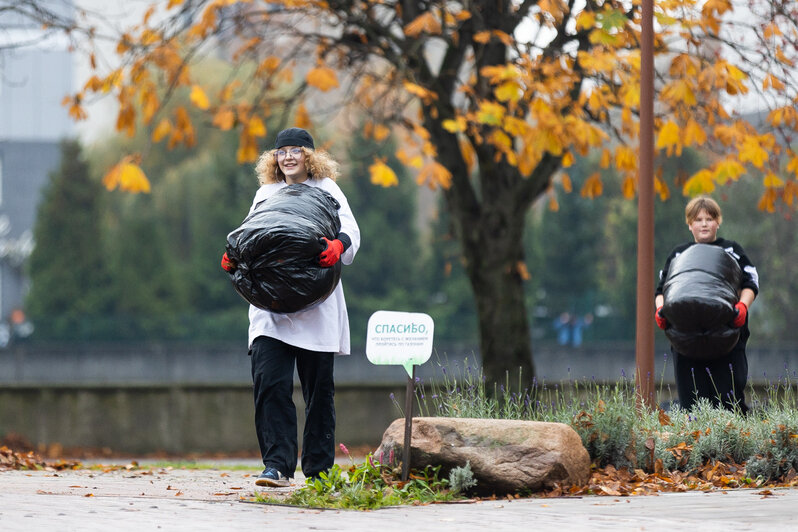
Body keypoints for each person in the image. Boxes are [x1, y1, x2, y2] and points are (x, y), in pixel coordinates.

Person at [221, 127, 360, 487]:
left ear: (309, 156)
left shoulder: (327, 190)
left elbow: (351, 229)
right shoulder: (265, 193)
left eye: (296, 151)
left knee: (319, 392)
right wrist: (234, 257)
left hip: (317, 307)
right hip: (271, 309)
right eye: (282, 152)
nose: (288, 157)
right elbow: (252, 232)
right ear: (274, 159)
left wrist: (339, 246)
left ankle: (318, 470)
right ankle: (277, 466)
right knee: (270, 384)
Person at [654, 196, 759, 413]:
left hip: (727, 335)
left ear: (718, 222)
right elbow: (661, 288)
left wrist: (742, 306)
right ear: (689, 224)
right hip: (686, 338)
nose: (704, 224)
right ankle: (694, 443)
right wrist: (661, 311)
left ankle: (732, 441)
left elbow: (751, 282)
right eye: (698, 219)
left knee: (730, 399)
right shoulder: (678, 254)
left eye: (709, 219)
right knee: (691, 401)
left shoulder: (732, 249)